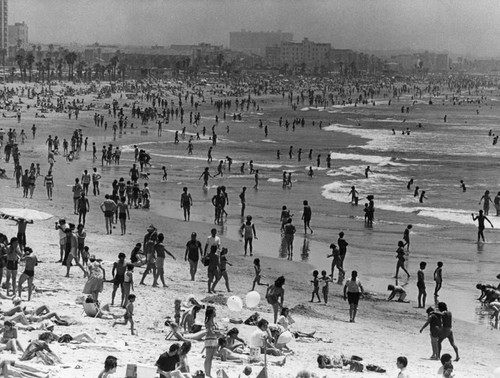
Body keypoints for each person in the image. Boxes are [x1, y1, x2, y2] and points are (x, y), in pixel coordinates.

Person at [204, 306, 220, 378]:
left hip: (213, 339)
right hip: (210, 339)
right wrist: (217, 333)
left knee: (210, 358)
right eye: (214, 312)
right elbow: (210, 331)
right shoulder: (208, 322)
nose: (215, 313)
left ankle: (208, 372)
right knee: (208, 357)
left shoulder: (214, 322)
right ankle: (207, 373)